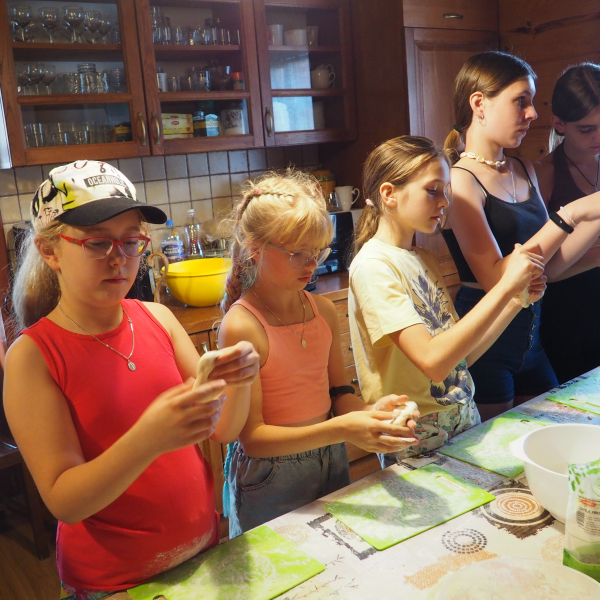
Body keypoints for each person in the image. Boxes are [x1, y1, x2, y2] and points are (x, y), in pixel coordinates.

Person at [3, 161, 260, 599]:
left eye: (130, 241)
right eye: (97, 242)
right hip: (113, 583)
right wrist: (149, 437)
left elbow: (223, 430)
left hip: (202, 552)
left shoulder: (158, 319)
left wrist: (238, 381)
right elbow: (65, 500)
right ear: (50, 251)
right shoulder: (33, 356)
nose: (118, 257)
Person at [218, 171, 419, 538]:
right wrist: (341, 429)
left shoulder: (323, 311)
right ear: (254, 248)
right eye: (298, 254)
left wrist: (370, 413)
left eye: (318, 252)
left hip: (330, 456)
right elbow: (254, 438)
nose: (312, 265)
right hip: (271, 476)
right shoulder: (242, 325)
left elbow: (337, 394)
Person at [349, 135, 545, 468]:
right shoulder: (373, 267)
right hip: (415, 437)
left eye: (446, 191)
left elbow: (459, 360)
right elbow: (433, 362)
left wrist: (515, 299)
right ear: (389, 194)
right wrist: (504, 286)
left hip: (463, 421)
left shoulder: (423, 258)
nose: (444, 202)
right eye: (432, 190)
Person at [443, 50, 600, 420]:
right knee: (494, 451)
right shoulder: (461, 181)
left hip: (532, 343)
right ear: (479, 104)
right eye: (521, 101)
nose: (532, 113)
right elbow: (499, 280)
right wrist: (572, 214)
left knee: (556, 430)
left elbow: (552, 267)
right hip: (486, 346)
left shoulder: (522, 168)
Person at [534, 63, 600, 384]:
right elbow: (543, 268)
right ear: (558, 124)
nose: (598, 137)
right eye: (586, 129)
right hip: (569, 315)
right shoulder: (543, 174)